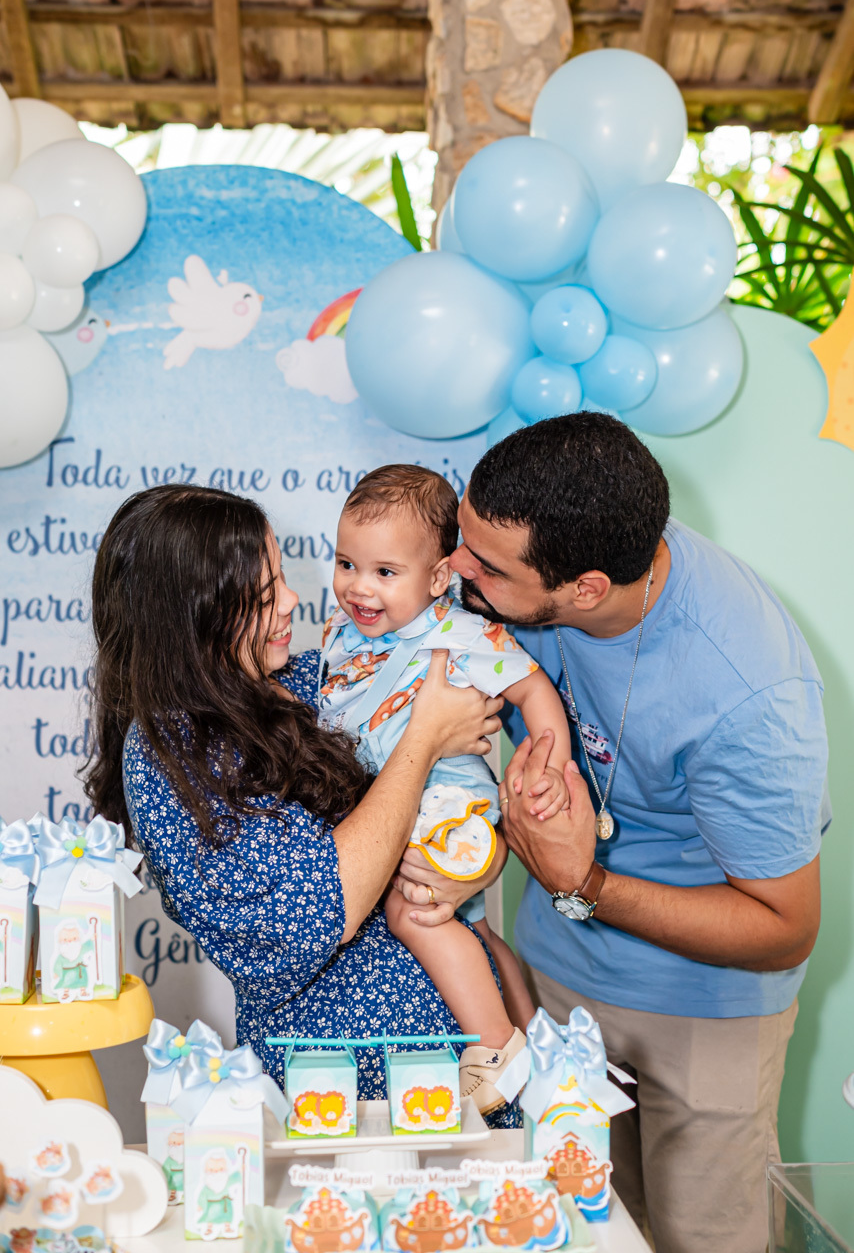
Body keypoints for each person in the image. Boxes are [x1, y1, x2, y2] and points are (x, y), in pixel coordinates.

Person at [444, 412, 828, 1253]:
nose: (458, 567)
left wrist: (584, 883)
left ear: (585, 590)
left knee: (703, 1239)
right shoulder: (558, 541)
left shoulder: (748, 692)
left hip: (704, 1012)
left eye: (487, 565)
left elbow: (786, 928)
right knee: (568, 1233)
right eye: (463, 538)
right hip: (557, 982)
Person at [84, 483, 508, 1105]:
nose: (291, 601)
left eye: (280, 577)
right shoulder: (173, 749)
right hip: (343, 1090)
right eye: (263, 597)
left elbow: (457, 786)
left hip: (464, 1063)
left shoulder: (316, 678)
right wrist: (423, 740)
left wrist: (478, 864)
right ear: (193, 619)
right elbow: (319, 910)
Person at [319, 465, 573, 1110]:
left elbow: (533, 689)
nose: (359, 586)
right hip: (396, 808)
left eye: (385, 571)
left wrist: (549, 766)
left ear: (437, 579)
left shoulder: (460, 634)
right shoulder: (342, 638)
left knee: (414, 913)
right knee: (476, 930)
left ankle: (496, 1049)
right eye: (346, 564)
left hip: (448, 806)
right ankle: (537, 1045)